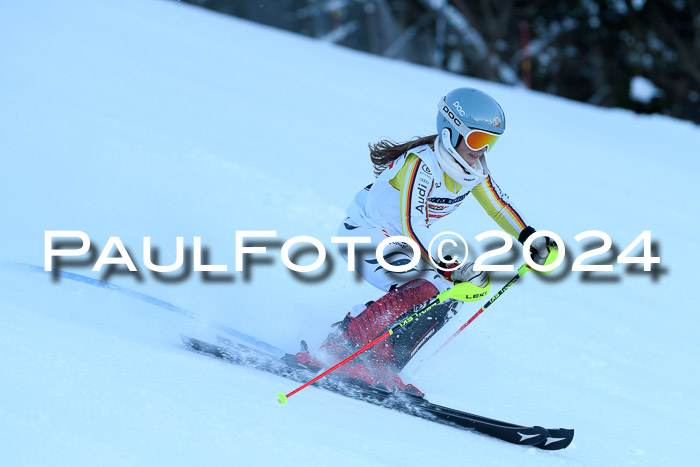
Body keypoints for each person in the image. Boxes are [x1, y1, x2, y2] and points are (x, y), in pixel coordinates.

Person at [295, 88, 553, 396]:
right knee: (428, 287)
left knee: (449, 294)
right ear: (450, 132)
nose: (482, 150)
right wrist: (452, 267)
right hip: (364, 235)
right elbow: (412, 224)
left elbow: (498, 206)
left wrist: (530, 237)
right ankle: (340, 346)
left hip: (400, 242)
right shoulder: (421, 164)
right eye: (477, 140)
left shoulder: (473, 169)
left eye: (490, 142)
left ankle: (383, 361)